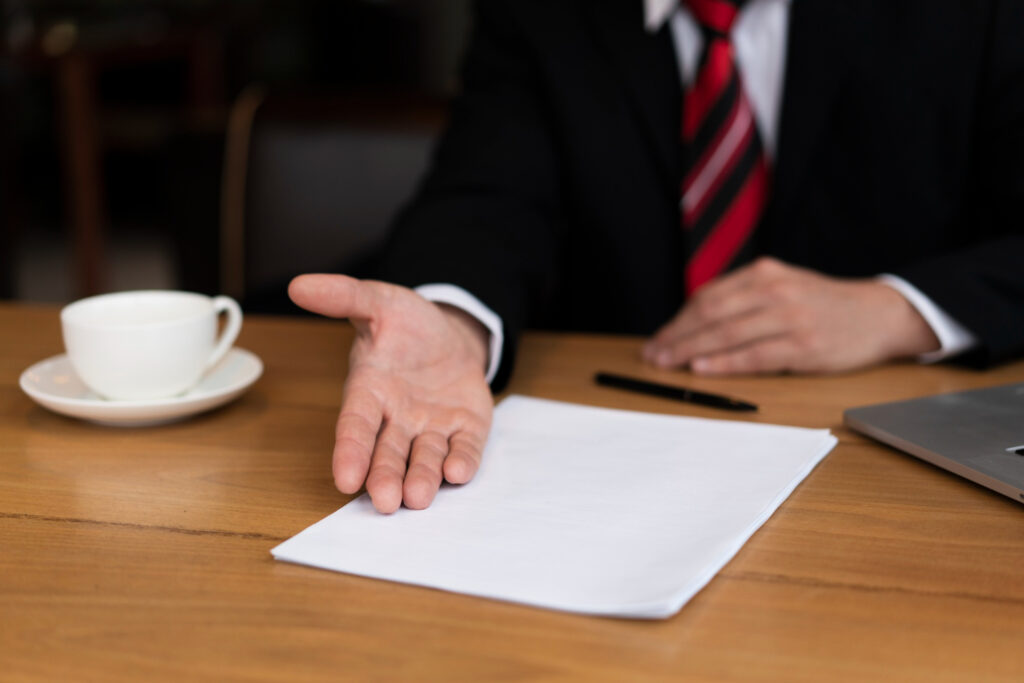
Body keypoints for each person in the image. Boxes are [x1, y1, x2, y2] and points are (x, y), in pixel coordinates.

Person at [288, 0, 1024, 513]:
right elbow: (486, 194)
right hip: (614, 441)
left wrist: (899, 309)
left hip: (885, 469)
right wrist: (453, 317)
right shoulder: (538, 13)